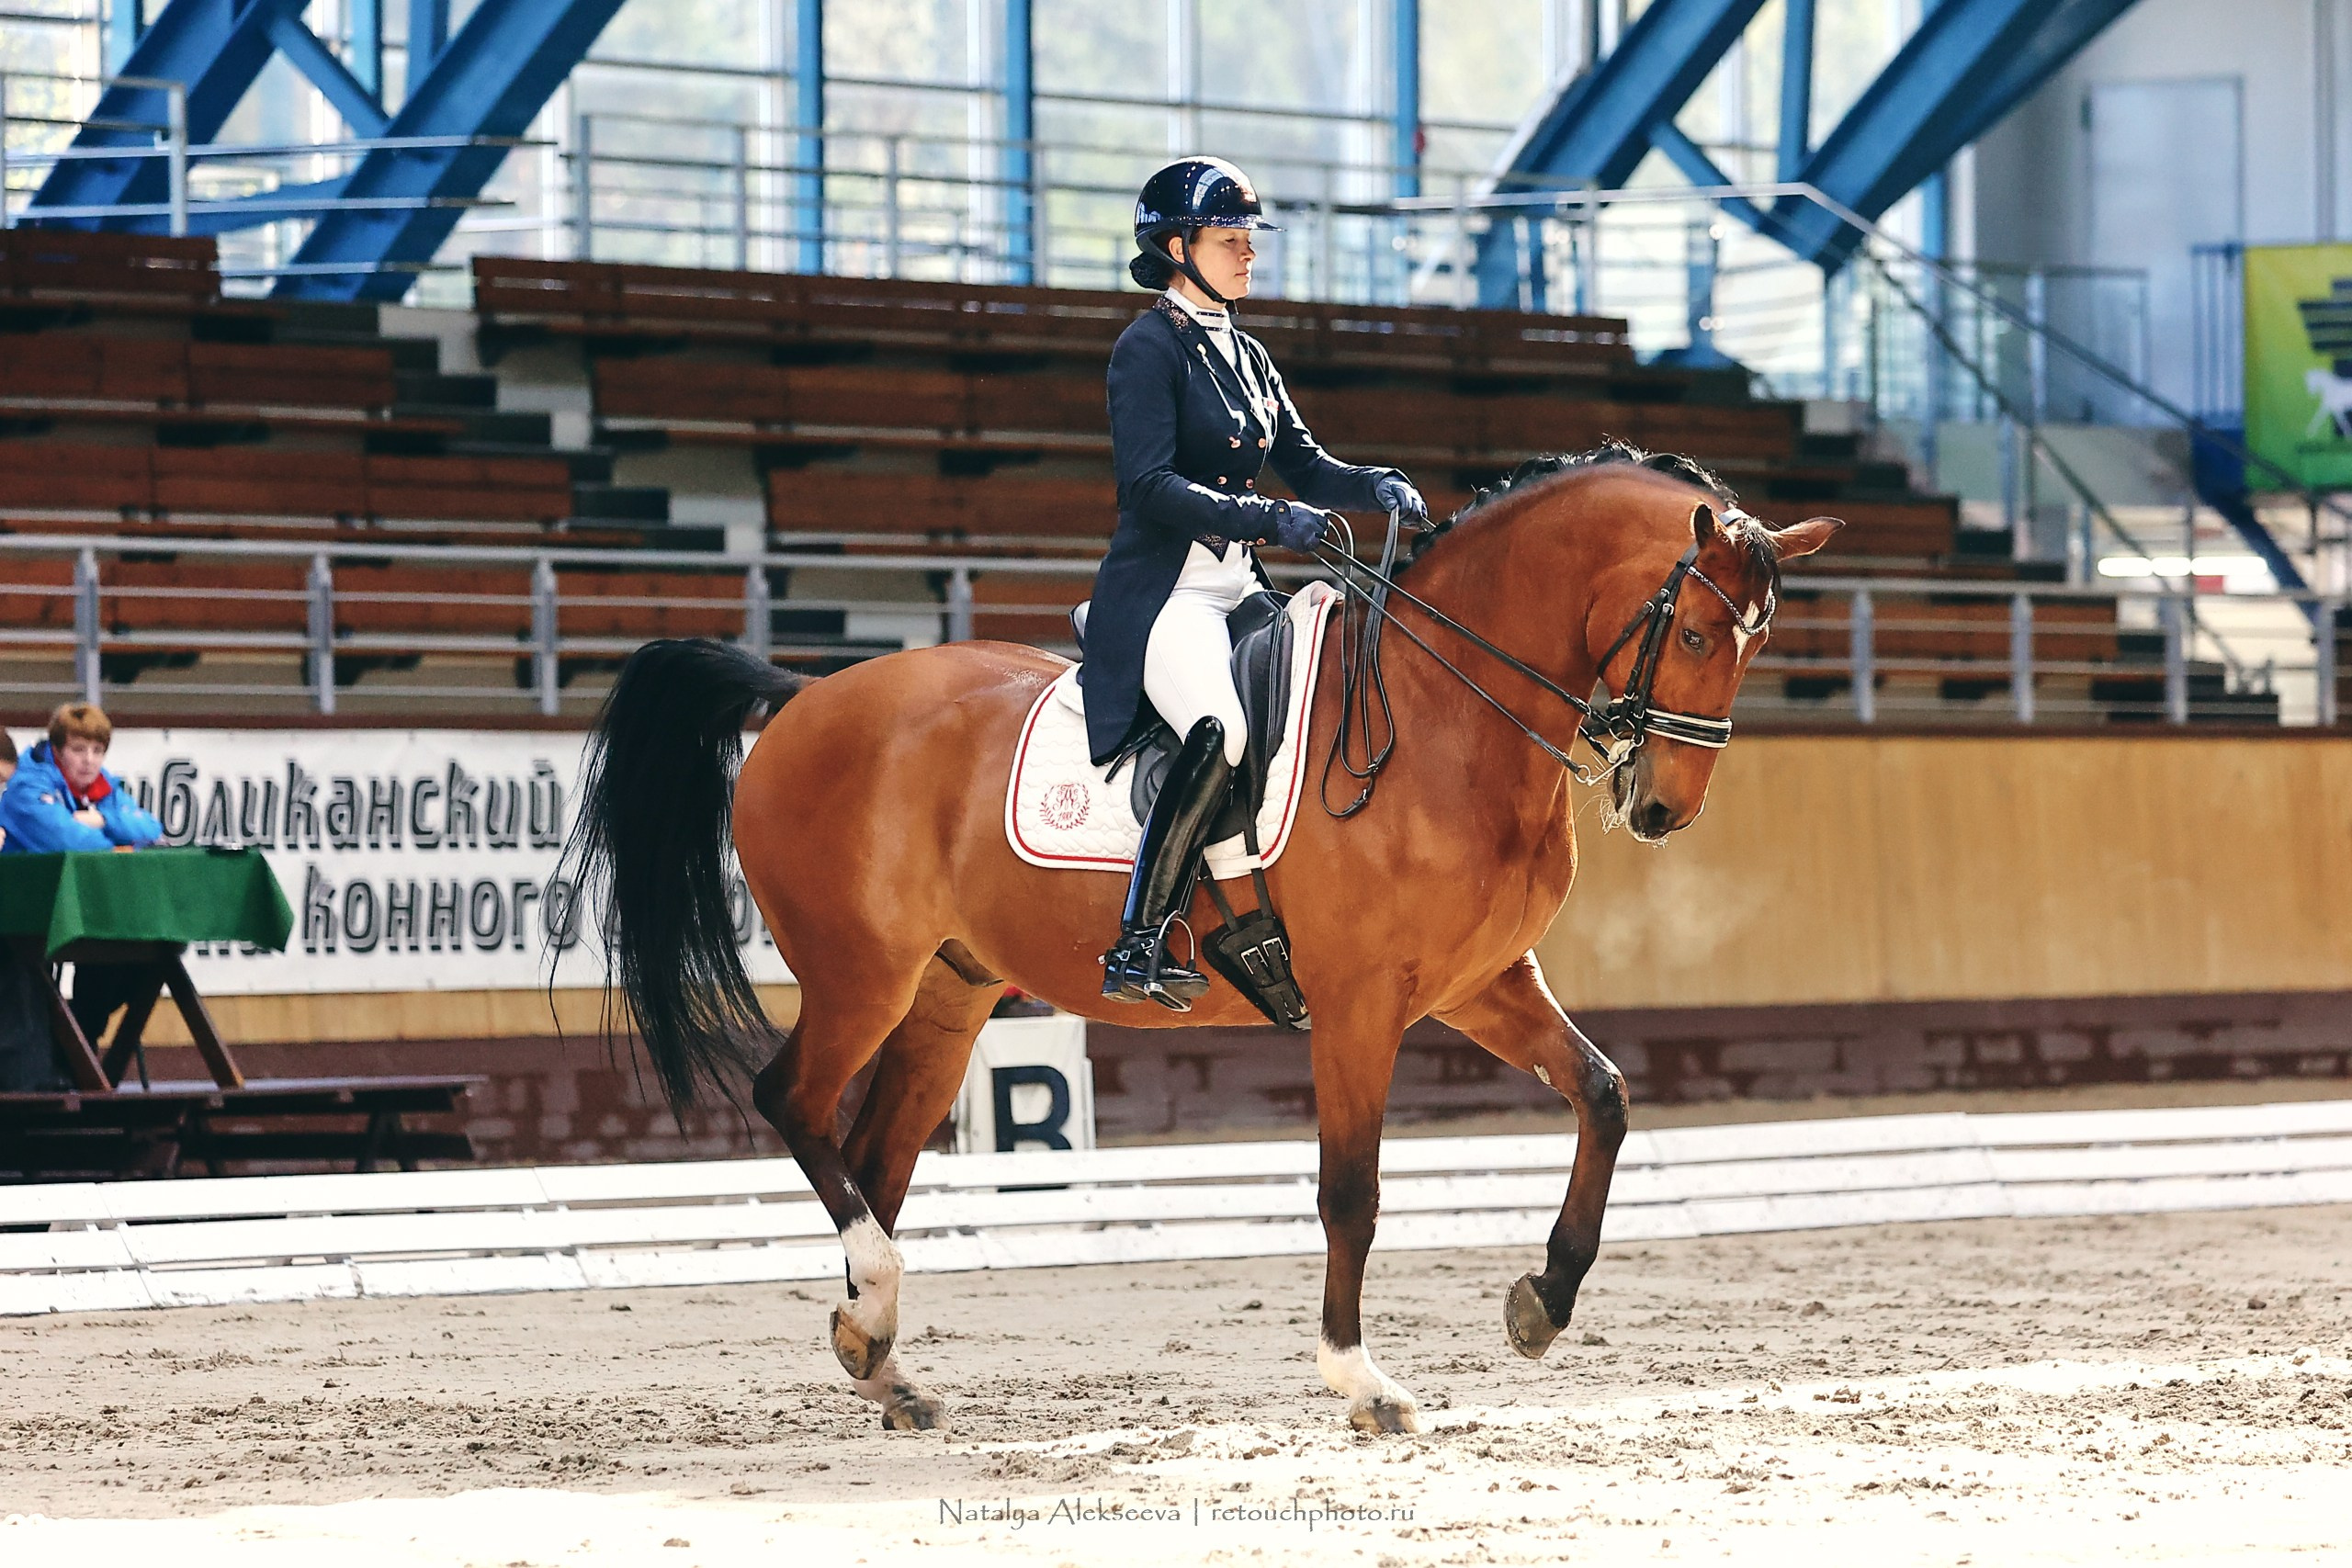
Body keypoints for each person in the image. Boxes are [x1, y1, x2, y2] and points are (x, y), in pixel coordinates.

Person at [1087, 156, 1427, 1010]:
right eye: (1229, 239)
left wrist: (1376, 482)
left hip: (1238, 590)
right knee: (1222, 729)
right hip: (1168, 595)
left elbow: (1307, 465)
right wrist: (1270, 519)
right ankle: (1139, 938)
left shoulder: (1246, 352)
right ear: (1177, 248)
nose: (1248, 253)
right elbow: (1148, 485)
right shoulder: (1146, 348)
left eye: (1249, 239)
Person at [0, 703, 163, 855]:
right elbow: (65, 841)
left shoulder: (103, 785)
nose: (89, 760)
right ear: (57, 751)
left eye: (97, 751)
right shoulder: (27, 785)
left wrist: (104, 820)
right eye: (78, 749)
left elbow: (151, 829)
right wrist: (118, 849)